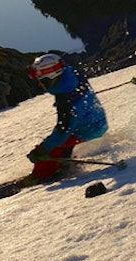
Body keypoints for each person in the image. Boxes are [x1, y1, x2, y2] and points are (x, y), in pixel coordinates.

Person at [26, 53, 108, 181]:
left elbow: (62, 131)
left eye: (41, 80)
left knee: (54, 147)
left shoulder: (67, 101)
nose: (40, 84)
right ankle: (64, 162)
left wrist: (41, 150)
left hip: (89, 128)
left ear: (50, 78)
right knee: (64, 141)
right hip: (95, 119)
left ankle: (40, 176)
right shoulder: (71, 74)